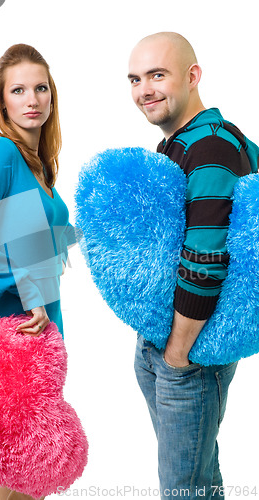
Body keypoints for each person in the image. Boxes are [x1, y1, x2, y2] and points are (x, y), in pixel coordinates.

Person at [128, 32, 259, 499]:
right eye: (136, 79)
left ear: (193, 76)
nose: (145, 89)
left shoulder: (210, 148)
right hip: (170, 344)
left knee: (183, 490)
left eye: (157, 75)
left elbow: (206, 257)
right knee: (199, 480)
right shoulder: (179, 144)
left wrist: (177, 354)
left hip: (191, 351)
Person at [0, 43, 76, 500]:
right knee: (24, 474)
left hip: (42, 330)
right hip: (13, 331)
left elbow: (34, 248)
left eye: (40, 88)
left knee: (28, 478)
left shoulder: (40, 168)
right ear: (2, 101)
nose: (32, 99)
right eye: (18, 89)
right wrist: (27, 290)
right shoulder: (0, 155)